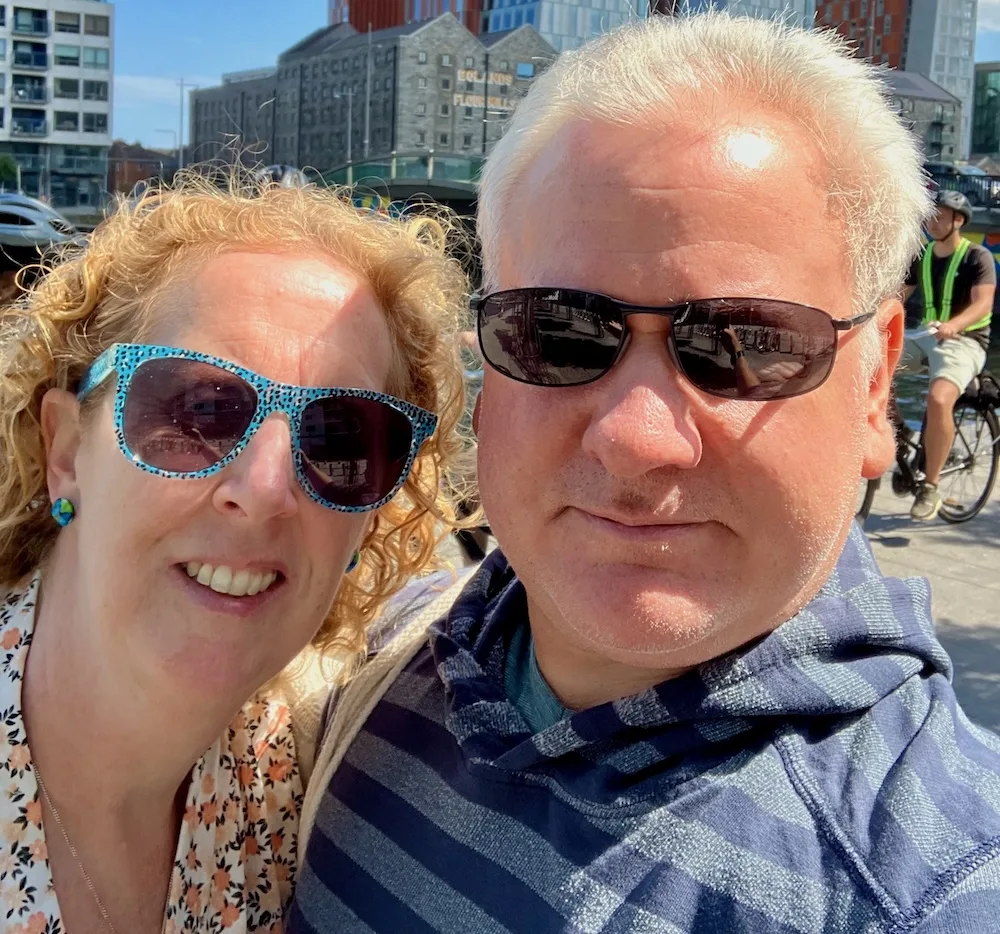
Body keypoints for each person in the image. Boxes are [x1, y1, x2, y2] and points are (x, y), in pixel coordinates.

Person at [291, 13, 1000, 934]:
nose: (637, 437)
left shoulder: (929, 890)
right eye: (557, 331)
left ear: (873, 385)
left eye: (746, 343)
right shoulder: (370, 664)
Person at [0, 172, 468, 933]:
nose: (264, 488)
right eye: (198, 411)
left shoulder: (299, 785)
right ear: (64, 452)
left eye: (339, 438)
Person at [901, 188, 996, 520]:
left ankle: (931, 486)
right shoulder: (924, 253)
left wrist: (955, 325)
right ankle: (900, 434)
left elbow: (983, 303)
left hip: (965, 341)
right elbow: (901, 294)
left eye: (940, 214)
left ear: (958, 220)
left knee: (940, 400)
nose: (933, 220)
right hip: (928, 336)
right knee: (873, 367)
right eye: (931, 214)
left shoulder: (977, 257)